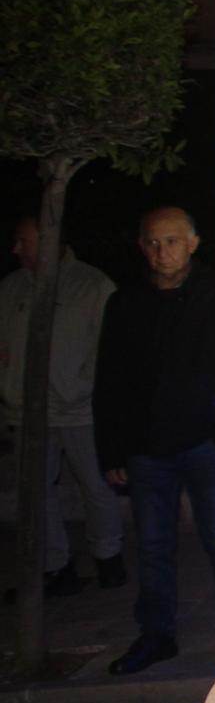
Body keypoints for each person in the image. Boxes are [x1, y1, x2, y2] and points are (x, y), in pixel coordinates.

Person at [93, 206, 215, 675]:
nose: (161, 251)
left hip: (207, 444)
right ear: (141, 246)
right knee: (152, 544)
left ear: (192, 243)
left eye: (171, 241)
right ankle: (156, 633)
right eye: (152, 242)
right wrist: (112, 449)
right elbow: (110, 382)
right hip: (148, 447)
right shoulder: (126, 304)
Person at [0, 212, 120, 593]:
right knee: (35, 490)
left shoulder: (91, 285)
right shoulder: (12, 288)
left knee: (95, 484)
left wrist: (79, 387)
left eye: (25, 241)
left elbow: (109, 346)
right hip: (26, 409)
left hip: (79, 408)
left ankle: (107, 557)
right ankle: (55, 564)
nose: (16, 249)